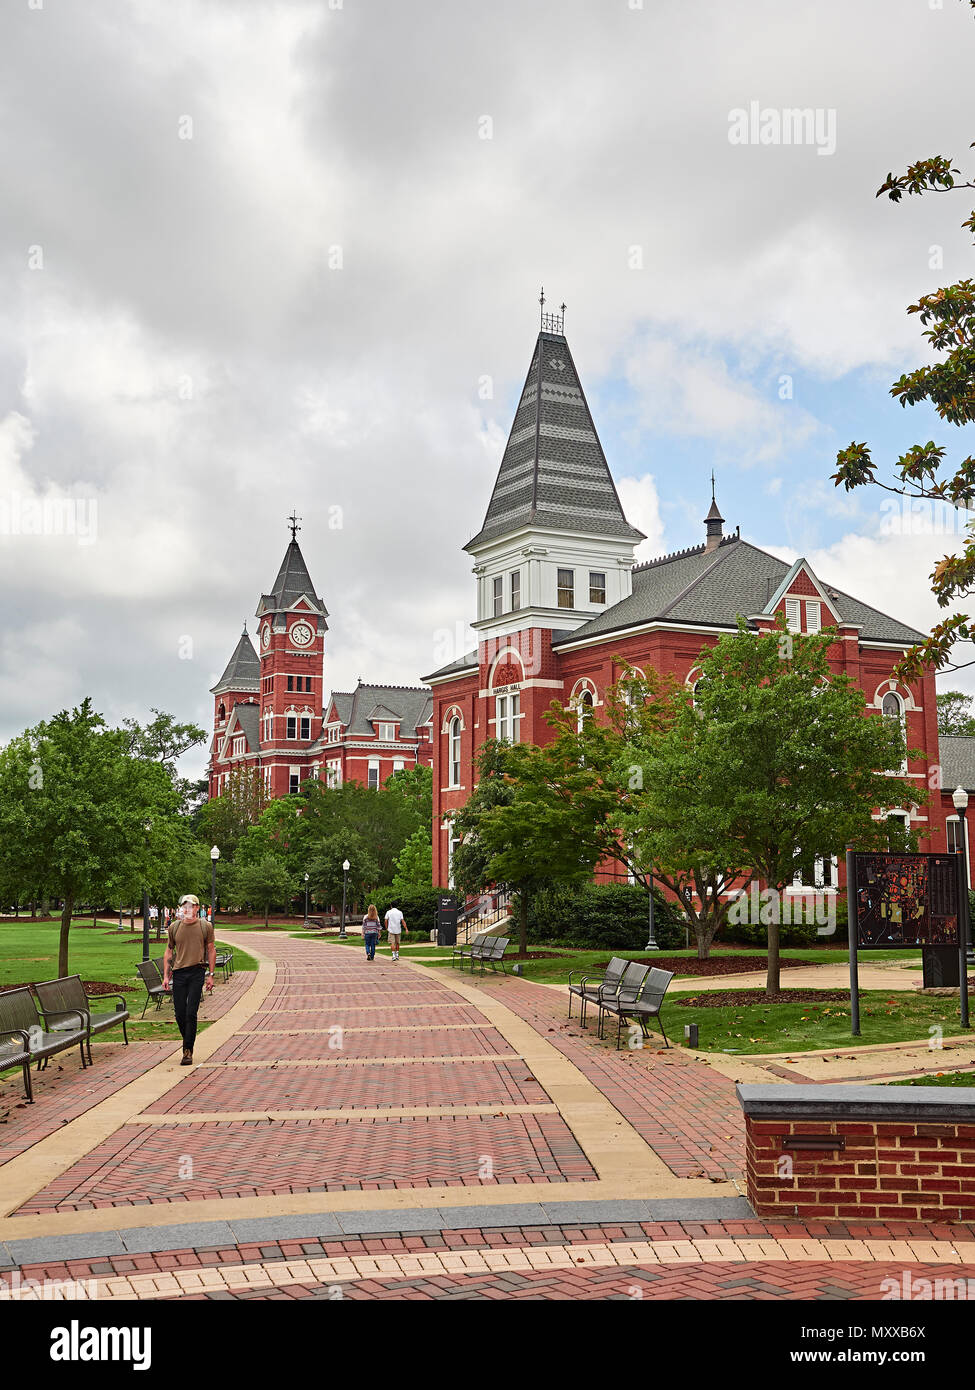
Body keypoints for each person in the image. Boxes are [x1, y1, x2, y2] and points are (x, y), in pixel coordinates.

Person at [162, 893, 216, 1066]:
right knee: (179, 1014)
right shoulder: (174, 928)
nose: (187, 909)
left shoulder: (205, 926)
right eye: (184, 906)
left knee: (191, 1012)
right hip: (179, 974)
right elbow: (169, 951)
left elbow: (211, 949)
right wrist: (165, 975)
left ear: (197, 908)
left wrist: (211, 975)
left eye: (191, 906)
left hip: (197, 971)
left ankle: (187, 1050)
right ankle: (188, 1040)